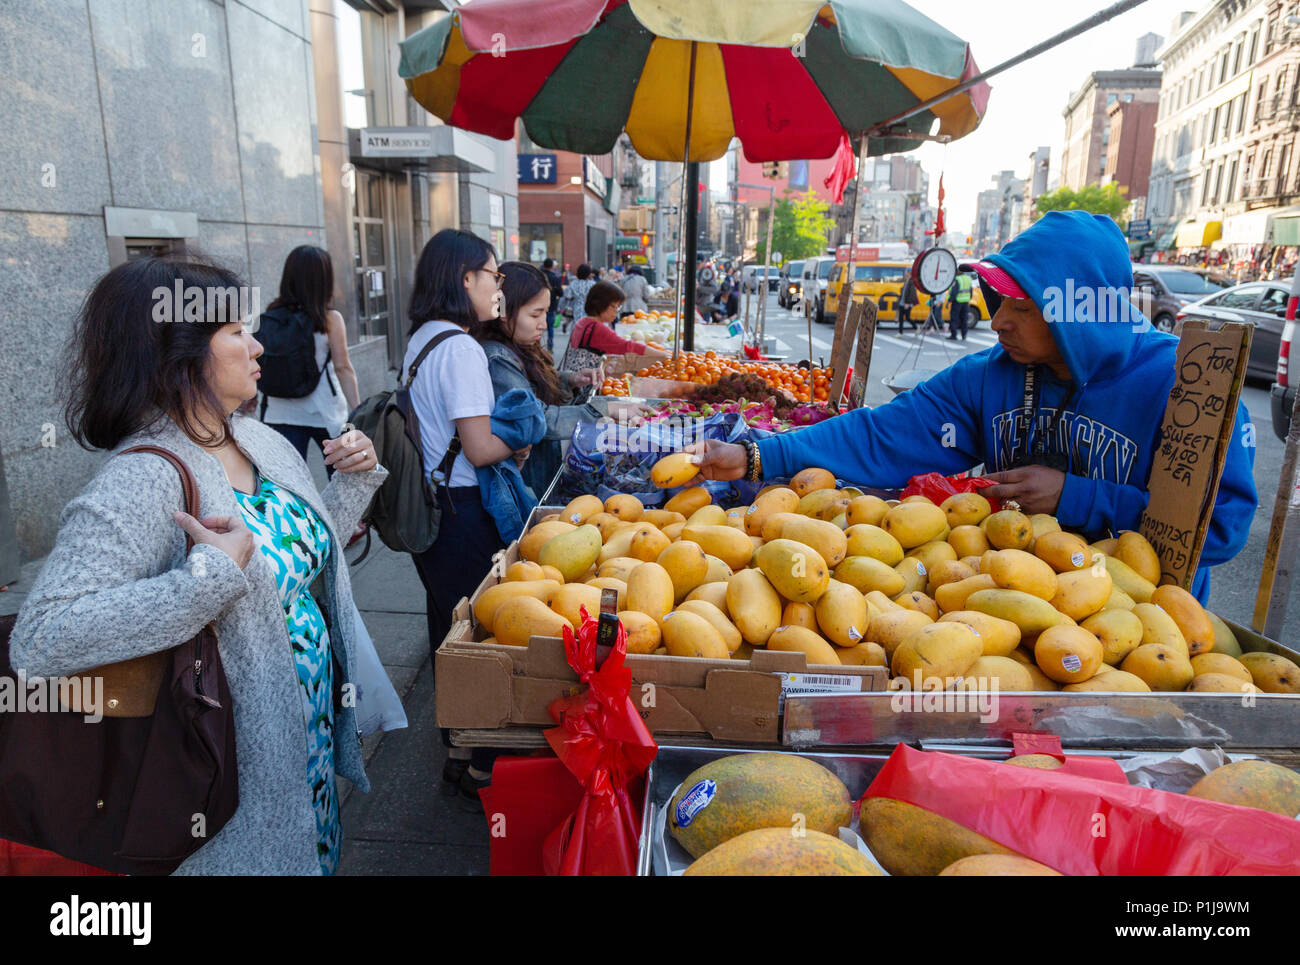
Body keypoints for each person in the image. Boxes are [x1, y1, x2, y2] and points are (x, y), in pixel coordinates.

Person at [9, 254, 386, 875]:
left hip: (303, 750)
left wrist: (353, 482)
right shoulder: (143, 476)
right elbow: (42, 639)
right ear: (176, 352)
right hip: (226, 782)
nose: (258, 343)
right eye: (237, 331)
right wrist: (202, 583)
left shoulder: (255, 438)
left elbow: (293, 573)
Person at [684, 210, 1257, 602]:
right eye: (996, 300)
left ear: (1078, 310)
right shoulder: (991, 376)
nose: (997, 320)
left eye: (1022, 307)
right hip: (1001, 605)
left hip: (1143, 635)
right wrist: (755, 455)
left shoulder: (1185, 386)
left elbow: (1220, 529)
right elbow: (883, 434)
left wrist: (1077, 497)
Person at [403, 229, 529, 803]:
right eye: (493, 275)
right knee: (481, 636)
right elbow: (479, 448)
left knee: (446, 629)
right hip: (463, 512)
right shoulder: (459, 347)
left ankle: (456, 745)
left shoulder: (423, 339)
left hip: (437, 512)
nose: (498, 287)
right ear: (465, 279)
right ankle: (481, 762)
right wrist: (519, 441)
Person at [481, 263, 636, 495]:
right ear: (504, 311)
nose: (544, 323)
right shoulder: (498, 359)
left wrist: (570, 380)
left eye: (545, 313)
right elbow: (539, 418)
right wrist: (604, 408)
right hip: (525, 482)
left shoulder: (520, 345)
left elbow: (534, 388)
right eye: (535, 314)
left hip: (542, 470)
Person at [258, 245, 361, 471]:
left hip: (280, 412)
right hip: (325, 411)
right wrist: (357, 409)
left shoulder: (272, 316)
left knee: (290, 485)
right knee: (344, 478)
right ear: (324, 279)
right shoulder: (329, 318)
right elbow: (343, 368)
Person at [559, 281, 671, 374]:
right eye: (615, 306)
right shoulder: (597, 329)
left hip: (573, 379)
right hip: (585, 384)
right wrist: (666, 355)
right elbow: (628, 346)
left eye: (619, 307)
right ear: (601, 304)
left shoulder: (583, 322)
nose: (617, 311)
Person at [558, 263, 596, 333]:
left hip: (577, 309)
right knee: (588, 330)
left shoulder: (573, 284)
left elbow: (568, 297)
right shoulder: (593, 284)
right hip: (589, 310)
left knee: (577, 329)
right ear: (588, 273)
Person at [541, 257, 563, 353]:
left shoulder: (539, 275)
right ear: (552, 267)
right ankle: (550, 347)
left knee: (538, 328)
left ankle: (537, 347)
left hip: (539, 306)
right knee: (550, 328)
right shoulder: (554, 278)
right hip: (551, 306)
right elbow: (561, 293)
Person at [948, 269, 974, 341]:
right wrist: (969, 298)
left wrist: (949, 301)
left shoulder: (957, 279)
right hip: (966, 301)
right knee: (964, 319)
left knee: (954, 318)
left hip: (957, 301)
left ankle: (954, 334)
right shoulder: (968, 278)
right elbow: (970, 290)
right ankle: (964, 335)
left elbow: (954, 291)